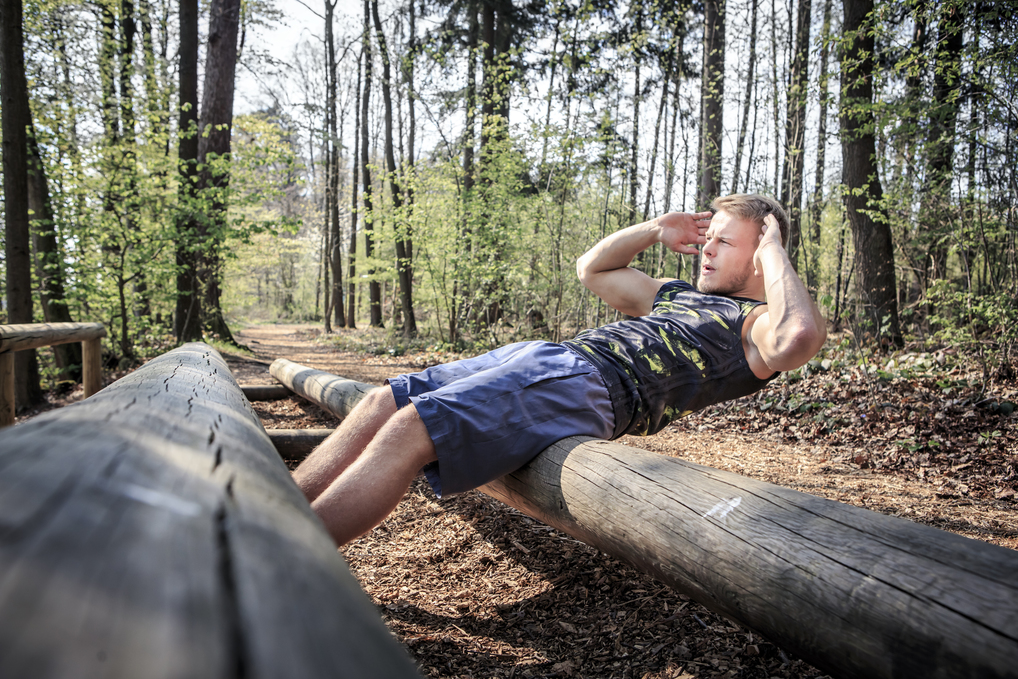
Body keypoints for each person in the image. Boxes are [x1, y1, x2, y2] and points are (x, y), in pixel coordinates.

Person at [294, 194, 827, 546]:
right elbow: (593, 268)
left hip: (592, 384)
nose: (706, 250)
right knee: (381, 402)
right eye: (707, 239)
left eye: (725, 241)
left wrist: (776, 250)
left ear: (761, 254)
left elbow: (797, 338)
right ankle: (270, 515)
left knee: (410, 430)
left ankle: (279, 561)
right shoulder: (677, 296)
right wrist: (655, 228)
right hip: (548, 356)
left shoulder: (753, 324)